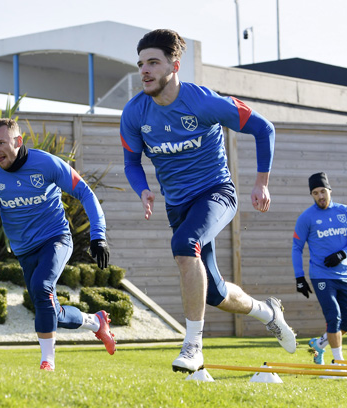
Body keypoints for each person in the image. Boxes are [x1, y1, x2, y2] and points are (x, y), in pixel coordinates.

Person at [119, 28, 296, 373]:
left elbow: (264, 129)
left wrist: (262, 183)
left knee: (185, 246)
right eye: (141, 64)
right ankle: (268, 312)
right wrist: (142, 188)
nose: (145, 70)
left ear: (175, 64)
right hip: (178, 204)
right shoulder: (134, 113)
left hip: (216, 193)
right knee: (215, 294)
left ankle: (193, 347)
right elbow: (131, 162)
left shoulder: (204, 102)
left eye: (153, 62)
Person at [0, 118, 115, 372]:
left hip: (55, 239)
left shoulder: (46, 163)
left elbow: (85, 193)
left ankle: (47, 361)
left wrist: (98, 236)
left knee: (41, 286)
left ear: (18, 141)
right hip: (23, 250)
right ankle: (96, 321)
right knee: (51, 308)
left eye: (1, 143)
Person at [292, 172, 347, 366]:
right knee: (334, 317)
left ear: (330, 190)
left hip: (346, 275)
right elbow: (297, 248)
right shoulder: (306, 218)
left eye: (323, 191)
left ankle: (319, 344)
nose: (320, 196)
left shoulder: (345, 212)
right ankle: (338, 363)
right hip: (321, 276)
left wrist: (342, 254)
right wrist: (300, 277)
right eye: (315, 193)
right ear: (312, 195)